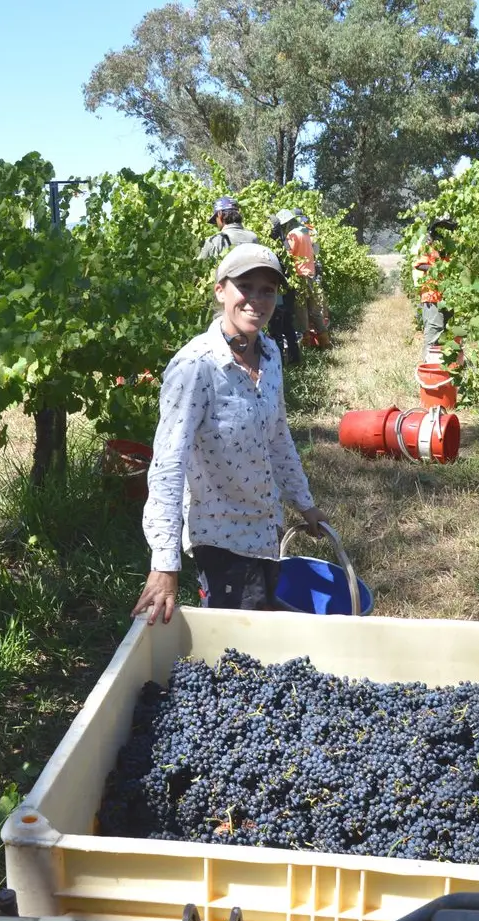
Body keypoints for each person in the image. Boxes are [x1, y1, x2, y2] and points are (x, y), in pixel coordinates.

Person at [134, 243, 329, 625]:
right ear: (220, 290)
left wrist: (304, 504)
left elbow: (278, 437)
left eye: (267, 290)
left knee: (267, 636)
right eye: (245, 286)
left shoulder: (270, 355)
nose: (256, 299)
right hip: (220, 536)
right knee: (238, 648)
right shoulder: (196, 366)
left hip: (266, 528)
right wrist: (164, 563)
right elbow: (167, 465)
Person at [271, 208, 329, 348]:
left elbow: (288, 254)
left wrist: (280, 241)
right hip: (311, 273)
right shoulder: (305, 231)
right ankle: (325, 342)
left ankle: (306, 344)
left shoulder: (292, 235)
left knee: (301, 311)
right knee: (315, 310)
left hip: (300, 275)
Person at [413, 216, 457, 361]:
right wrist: (436, 268)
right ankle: (428, 369)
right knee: (433, 332)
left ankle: (443, 368)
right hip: (432, 296)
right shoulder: (429, 247)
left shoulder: (450, 249)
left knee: (448, 334)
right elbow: (420, 264)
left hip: (448, 297)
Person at [197, 196, 260, 261]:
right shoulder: (253, 238)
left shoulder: (216, 241)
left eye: (215, 219)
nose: (216, 224)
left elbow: (201, 267)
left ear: (220, 215)